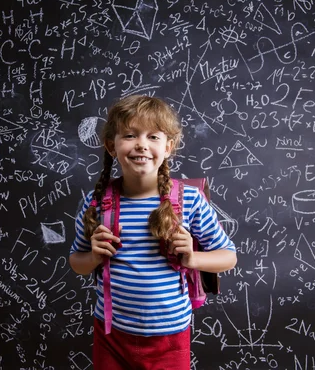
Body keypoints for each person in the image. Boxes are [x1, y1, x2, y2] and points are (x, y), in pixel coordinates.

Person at [69, 95, 237, 370]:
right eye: (130, 135)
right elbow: (77, 262)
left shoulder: (190, 201)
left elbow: (228, 256)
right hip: (112, 336)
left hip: (169, 340)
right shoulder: (96, 202)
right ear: (112, 146)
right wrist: (94, 257)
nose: (141, 145)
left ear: (169, 147)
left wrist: (192, 258)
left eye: (153, 137)